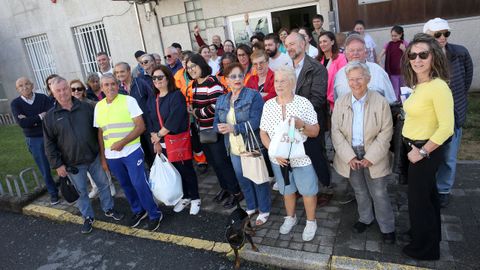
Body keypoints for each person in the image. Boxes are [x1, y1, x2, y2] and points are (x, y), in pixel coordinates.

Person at [43, 77, 124, 234]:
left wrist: (102, 154)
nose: (63, 93)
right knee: (81, 192)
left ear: (69, 88)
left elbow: (98, 132)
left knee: (104, 185)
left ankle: (109, 208)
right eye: (58, 90)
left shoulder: (87, 107)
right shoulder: (50, 117)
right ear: (52, 93)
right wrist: (57, 165)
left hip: (93, 157)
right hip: (72, 164)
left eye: (65, 89)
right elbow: (49, 144)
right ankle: (87, 217)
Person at [400, 33, 454, 260]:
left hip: (424, 151)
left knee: (419, 203)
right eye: (413, 55)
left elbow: (446, 128)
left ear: (434, 56)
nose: (417, 59)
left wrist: (421, 152)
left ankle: (425, 249)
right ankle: (424, 236)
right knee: (428, 200)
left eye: (423, 54)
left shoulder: (438, 86)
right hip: (413, 148)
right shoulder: (419, 84)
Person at [331, 61, 395, 244]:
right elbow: (336, 132)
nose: (355, 82)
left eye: (359, 78)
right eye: (351, 79)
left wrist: (370, 157)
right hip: (350, 154)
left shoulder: (381, 102)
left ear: (368, 79)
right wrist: (349, 156)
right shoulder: (341, 102)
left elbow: (386, 132)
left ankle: (387, 227)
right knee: (359, 190)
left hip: (374, 153)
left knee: (379, 192)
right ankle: (366, 218)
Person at [94, 74, 162, 231]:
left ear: (118, 85)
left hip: (131, 151)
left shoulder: (128, 101)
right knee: (125, 184)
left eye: (113, 84)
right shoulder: (99, 106)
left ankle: (154, 213)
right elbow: (100, 133)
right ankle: (138, 210)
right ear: (101, 87)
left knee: (139, 183)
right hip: (112, 156)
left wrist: (122, 142)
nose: (110, 87)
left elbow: (141, 126)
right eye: (106, 85)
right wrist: (103, 158)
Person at [260, 67, 320, 241]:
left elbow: (315, 131)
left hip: (301, 158)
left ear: (292, 83)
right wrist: (274, 152)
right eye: (276, 81)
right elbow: (263, 132)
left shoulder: (303, 103)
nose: (278, 84)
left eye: (283, 81)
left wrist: (301, 125)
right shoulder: (269, 105)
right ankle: (290, 217)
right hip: (278, 159)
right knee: (287, 190)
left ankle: (311, 221)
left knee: (308, 192)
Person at [423, 18, 474, 208]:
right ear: (427, 35)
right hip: (429, 115)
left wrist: (457, 102)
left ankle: (443, 189)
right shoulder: (420, 56)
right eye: (437, 34)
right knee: (429, 154)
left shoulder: (459, 53)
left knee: (448, 156)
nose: (442, 38)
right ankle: (429, 187)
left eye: (446, 33)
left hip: (453, 114)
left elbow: (466, 79)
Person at [214, 62, 271, 225]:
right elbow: (215, 123)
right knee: (244, 179)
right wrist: (220, 128)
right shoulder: (221, 100)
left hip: (251, 146)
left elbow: (256, 122)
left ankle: (264, 209)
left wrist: (234, 127)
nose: (237, 79)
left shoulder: (253, 96)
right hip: (233, 148)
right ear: (226, 80)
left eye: (240, 75)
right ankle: (252, 206)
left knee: (258, 178)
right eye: (233, 76)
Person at [186, 54, 242, 209]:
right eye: (188, 67)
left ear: (201, 65)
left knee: (222, 163)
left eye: (193, 66)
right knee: (214, 163)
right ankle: (225, 188)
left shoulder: (212, 83)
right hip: (203, 131)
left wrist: (196, 113)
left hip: (216, 130)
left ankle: (236, 192)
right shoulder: (195, 84)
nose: (191, 70)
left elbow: (217, 107)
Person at [285, 32, 332, 205]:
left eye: (293, 44)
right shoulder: (286, 67)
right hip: (291, 122)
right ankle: (303, 187)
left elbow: (317, 99)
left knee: (316, 154)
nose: (289, 48)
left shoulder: (316, 68)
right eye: (287, 45)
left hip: (311, 122)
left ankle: (325, 187)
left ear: (303, 44)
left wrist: (297, 115)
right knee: (296, 153)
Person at [148, 65, 201, 215]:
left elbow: (174, 119)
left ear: (167, 78)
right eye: (154, 78)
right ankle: (185, 196)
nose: (157, 80)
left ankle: (195, 197)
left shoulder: (176, 95)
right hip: (162, 142)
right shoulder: (154, 99)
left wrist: (158, 135)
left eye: (160, 77)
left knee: (186, 169)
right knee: (175, 171)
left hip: (177, 141)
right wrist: (156, 141)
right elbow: (150, 120)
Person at [11, 77, 59, 205]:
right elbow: (23, 123)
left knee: (61, 161)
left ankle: (69, 188)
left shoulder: (42, 98)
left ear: (32, 85)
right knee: (44, 168)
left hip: (50, 135)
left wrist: (31, 119)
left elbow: (50, 115)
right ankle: (53, 194)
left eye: (27, 84)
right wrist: (39, 116)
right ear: (17, 89)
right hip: (34, 139)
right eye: (21, 86)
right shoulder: (16, 104)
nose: (25, 87)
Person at [69, 79, 116, 198]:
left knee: (101, 164)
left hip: (95, 139)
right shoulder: (68, 106)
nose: (76, 91)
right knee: (88, 167)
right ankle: (95, 187)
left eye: (79, 89)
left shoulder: (92, 104)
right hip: (80, 143)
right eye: (73, 89)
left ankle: (110, 185)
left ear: (84, 91)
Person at [114, 62, 156, 168]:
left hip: (148, 126)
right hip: (133, 129)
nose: (119, 74)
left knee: (155, 153)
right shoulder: (118, 90)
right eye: (117, 72)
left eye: (122, 71)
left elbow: (152, 101)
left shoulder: (140, 83)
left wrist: (153, 125)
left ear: (128, 71)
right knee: (145, 157)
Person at [334, 34, 397, 104]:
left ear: (366, 52)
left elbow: (391, 101)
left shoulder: (378, 71)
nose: (355, 53)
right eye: (351, 50)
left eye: (359, 50)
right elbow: (337, 103)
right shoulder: (339, 75)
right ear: (345, 53)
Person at [174, 51, 209, 174]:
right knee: (194, 136)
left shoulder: (199, 74)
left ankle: (208, 156)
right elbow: (176, 92)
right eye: (184, 62)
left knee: (204, 133)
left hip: (199, 105)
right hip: (186, 109)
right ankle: (201, 160)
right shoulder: (178, 75)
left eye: (189, 63)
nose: (186, 66)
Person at [316, 31, 348, 111]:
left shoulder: (340, 58)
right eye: (320, 42)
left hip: (336, 101)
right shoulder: (318, 60)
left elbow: (343, 79)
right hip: (321, 101)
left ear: (332, 42)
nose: (322, 44)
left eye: (325, 41)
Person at [378, 25, 408, 101]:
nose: (393, 37)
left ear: (401, 34)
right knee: (395, 90)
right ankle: (396, 106)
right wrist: (382, 66)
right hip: (392, 73)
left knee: (403, 90)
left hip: (403, 72)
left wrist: (404, 50)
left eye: (395, 36)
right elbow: (379, 57)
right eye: (392, 36)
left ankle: (404, 105)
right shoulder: (388, 44)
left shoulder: (404, 43)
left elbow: (410, 57)